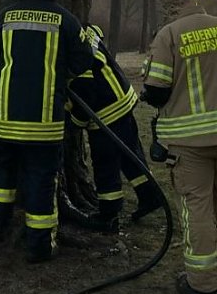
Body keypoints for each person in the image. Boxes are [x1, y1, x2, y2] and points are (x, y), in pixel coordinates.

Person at [142, 0, 217, 294]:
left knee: (197, 206)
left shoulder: (169, 34)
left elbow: (156, 91)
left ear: (173, 12)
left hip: (189, 141)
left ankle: (203, 284)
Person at [0, 0, 94, 263]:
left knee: (2, 175)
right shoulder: (65, 19)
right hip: (44, 123)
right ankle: (39, 246)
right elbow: (86, 60)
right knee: (42, 181)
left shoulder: (3, 16)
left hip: (3, 119)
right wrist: (62, 74)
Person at [66, 24, 163, 233]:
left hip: (106, 109)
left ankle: (108, 214)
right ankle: (150, 195)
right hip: (123, 98)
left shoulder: (73, 52)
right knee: (129, 154)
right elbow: (99, 31)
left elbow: (84, 94)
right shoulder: (84, 30)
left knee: (105, 162)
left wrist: (74, 123)